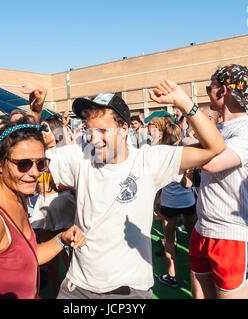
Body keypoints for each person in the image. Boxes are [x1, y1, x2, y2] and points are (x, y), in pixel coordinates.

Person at [32, 79, 225, 299]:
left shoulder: (148, 160)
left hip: (129, 290)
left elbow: (215, 147)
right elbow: (34, 165)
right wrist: (35, 115)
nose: (93, 139)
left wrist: (184, 103)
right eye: (89, 130)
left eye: (103, 131)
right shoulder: (81, 156)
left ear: (124, 129)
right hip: (78, 286)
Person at [0, 122, 85, 299]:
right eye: (23, 164)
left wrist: (61, 239)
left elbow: (26, 256)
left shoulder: (18, 197)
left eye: (41, 163)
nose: (35, 172)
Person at [189, 64, 248, 299]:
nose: (207, 92)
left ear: (222, 91)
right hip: (203, 229)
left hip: (235, 236)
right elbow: (185, 148)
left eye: (209, 87)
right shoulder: (219, 129)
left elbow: (209, 162)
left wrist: (187, 106)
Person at [30, 113, 77, 295]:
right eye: (40, 129)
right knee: (51, 259)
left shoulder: (66, 152)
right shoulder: (42, 154)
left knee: (71, 258)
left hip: (64, 206)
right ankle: (59, 292)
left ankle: (72, 293)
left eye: (45, 129)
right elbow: (44, 188)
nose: (42, 133)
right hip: (48, 207)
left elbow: (48, 186)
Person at [156, 123, 197, 289]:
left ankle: (172, 276)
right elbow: (189, 183)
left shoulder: (160, 155)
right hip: (187, 201)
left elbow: (157, 182)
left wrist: (156, 200)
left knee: (169, 240)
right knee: (193, 239)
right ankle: (199, 271)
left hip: (169, 202)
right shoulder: (186, 154)